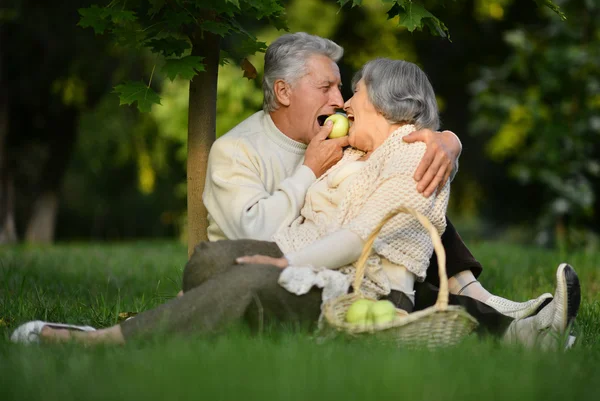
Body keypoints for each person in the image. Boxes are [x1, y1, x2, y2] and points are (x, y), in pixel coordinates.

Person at [12, 58, 580, 349]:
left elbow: (360, 237)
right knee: (208, 262)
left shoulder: (411, 153)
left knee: (250, 281)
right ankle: (218, 321)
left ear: (385, 105)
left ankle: (105, 342)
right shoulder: (346, 153)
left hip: (359, 286)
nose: (345, 104)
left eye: (354, 92)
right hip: (302, 256)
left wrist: (284, 266)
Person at [202, 32, 551, 318]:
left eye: (342, 88)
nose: (339, 101)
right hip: (278, 253)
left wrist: (448, 141)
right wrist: (309, 170)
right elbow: (258, 232)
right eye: (326, 88)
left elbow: (397, 149)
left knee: (409, 196)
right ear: (283, 91)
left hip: (354, 265)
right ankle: (491, 313)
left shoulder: (341, 140)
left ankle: (479, 298)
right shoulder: (238, 150)